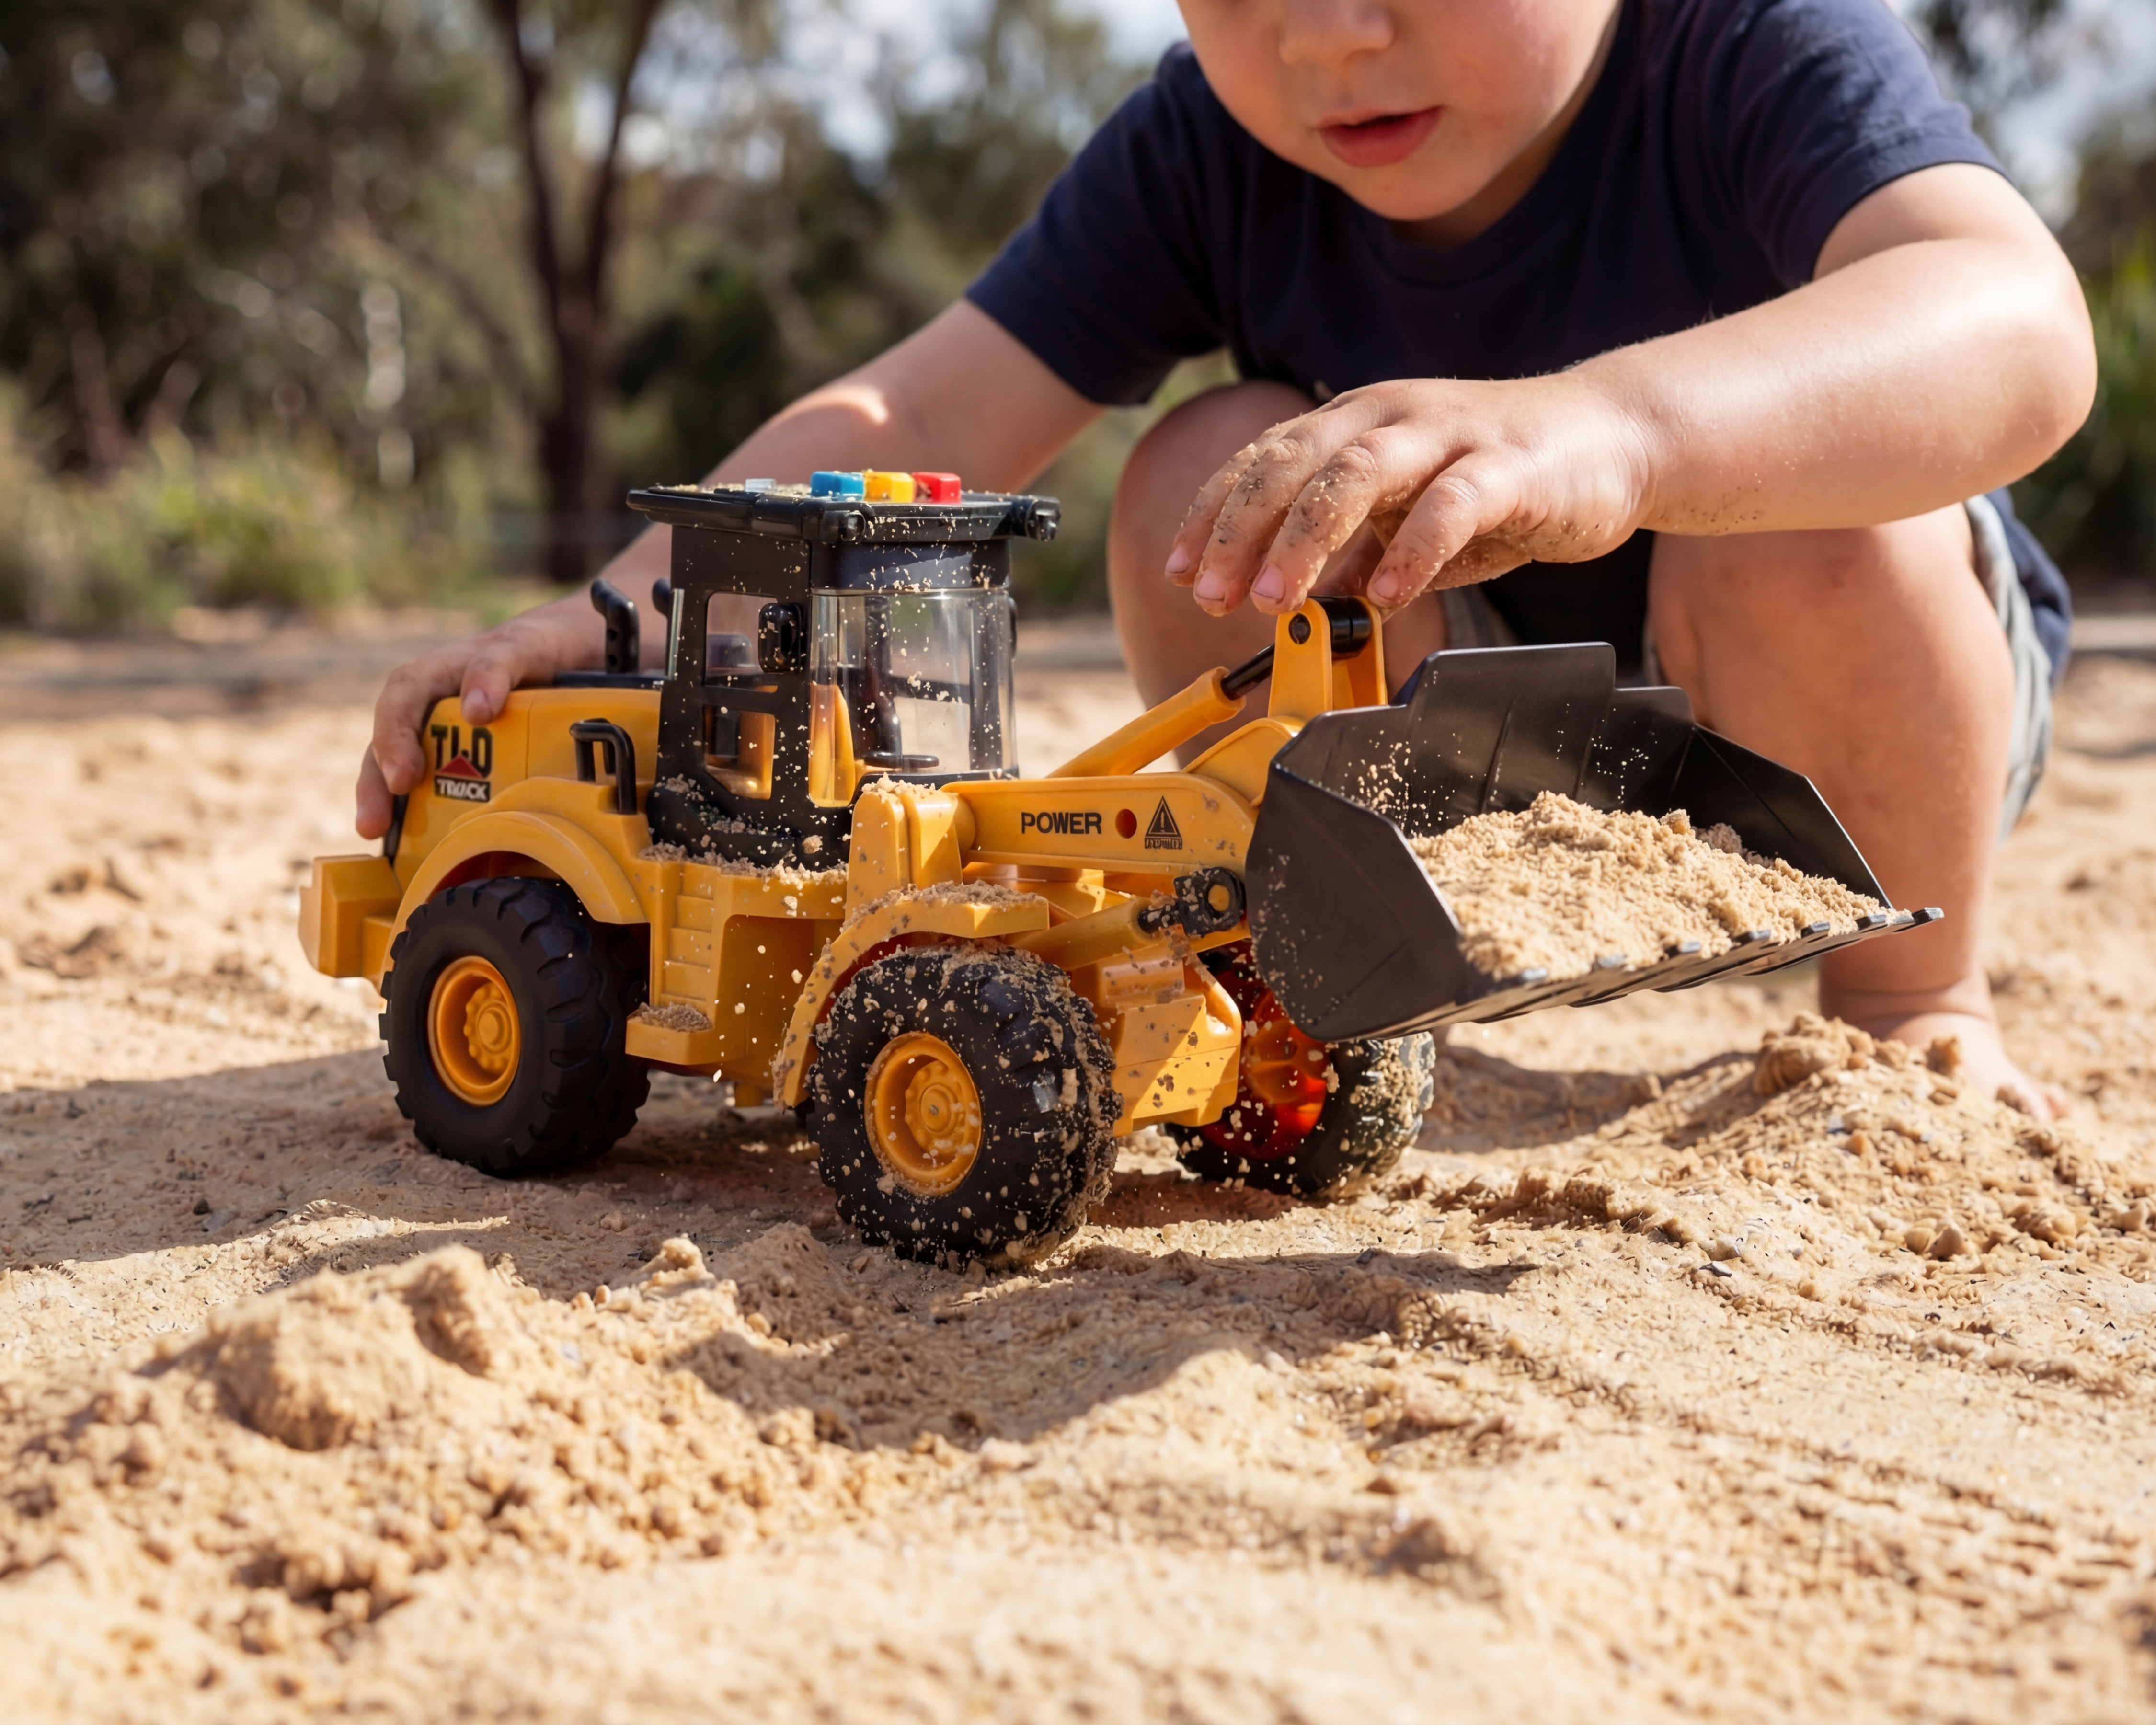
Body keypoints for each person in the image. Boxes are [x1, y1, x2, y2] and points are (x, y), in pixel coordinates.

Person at [356, 0, 2093, 1116]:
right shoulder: (1200, 147)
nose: (1332, 37)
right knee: (1203, 467)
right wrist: (611, 614)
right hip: (1481, 723)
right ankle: (1385, 933)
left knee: (1813, 533)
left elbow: (2015, 325)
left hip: (1850, 721)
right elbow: (910, 416)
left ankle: (1909, 998)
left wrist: (1611, 433)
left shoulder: (1745, 45)